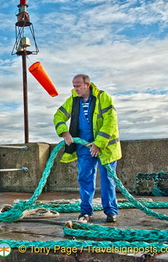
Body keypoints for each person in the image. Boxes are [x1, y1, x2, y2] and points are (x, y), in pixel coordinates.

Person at [53, 74, 122, 223]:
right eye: (73, 86)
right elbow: (58, 115)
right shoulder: (72, 100)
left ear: (87, 85)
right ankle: (85, 212)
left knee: (107, 180)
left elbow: (110, 122)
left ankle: (111, 212)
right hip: (84, 146)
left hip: (105, 148)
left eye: (78, 85)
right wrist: (64, 132)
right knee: (84, 178)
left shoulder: (103, 98)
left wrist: (98, 143)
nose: (75, 88)